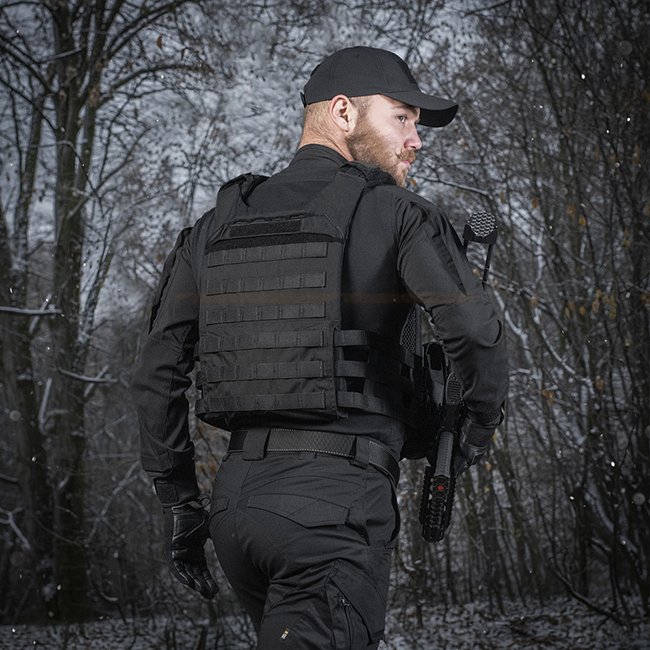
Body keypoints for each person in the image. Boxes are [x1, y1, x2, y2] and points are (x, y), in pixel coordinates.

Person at [132, 46, 508, 649]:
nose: (416, 140)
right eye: (401, 118)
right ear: (342, 112)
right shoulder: (399, 214)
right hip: (333, 512)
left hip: (237, 511)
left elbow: (157, 371)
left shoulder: (213, 227)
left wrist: (181, 502)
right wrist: (474, 432)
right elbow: (475, 333)